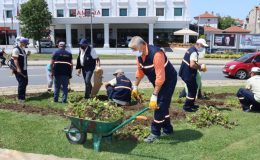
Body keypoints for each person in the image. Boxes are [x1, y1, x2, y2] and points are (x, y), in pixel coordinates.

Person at [128, 36, 177, 143]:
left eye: (134, 49)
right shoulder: (140, 56)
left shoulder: (157, 54)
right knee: (163, 106)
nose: (133, 51)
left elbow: (161, 77)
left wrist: (154, 95)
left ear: (143, 45)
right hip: (158, 81)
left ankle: (155, 132)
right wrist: (135, 86)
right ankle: (168, 129)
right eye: (132, 49)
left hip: (168, 80)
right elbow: (140, 72)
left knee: (159, 105)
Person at [179, 38, 208, 112]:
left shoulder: (191, 49)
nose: (203, 48)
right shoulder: (194, 52)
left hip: (185, 73)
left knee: (193, 88)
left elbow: (191, 62)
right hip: (188, 74)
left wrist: (198, 65)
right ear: (199, 44)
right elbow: (192, 65)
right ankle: (187, 107)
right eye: (203, 46)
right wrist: (200, 67)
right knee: (192, 90)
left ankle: (191, 105)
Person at [11, 37, 31, 102]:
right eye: (26, 43)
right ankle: (21, 98)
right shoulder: (16, 49)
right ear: (22, 42)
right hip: (20, 69)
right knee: (22, 83)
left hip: (24, 69)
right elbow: (15, 60)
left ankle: (23, 96)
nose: (26, 45)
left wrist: (27, 54)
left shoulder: (22, 49)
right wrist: (18, 69)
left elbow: (22, 57)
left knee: (25, 82)